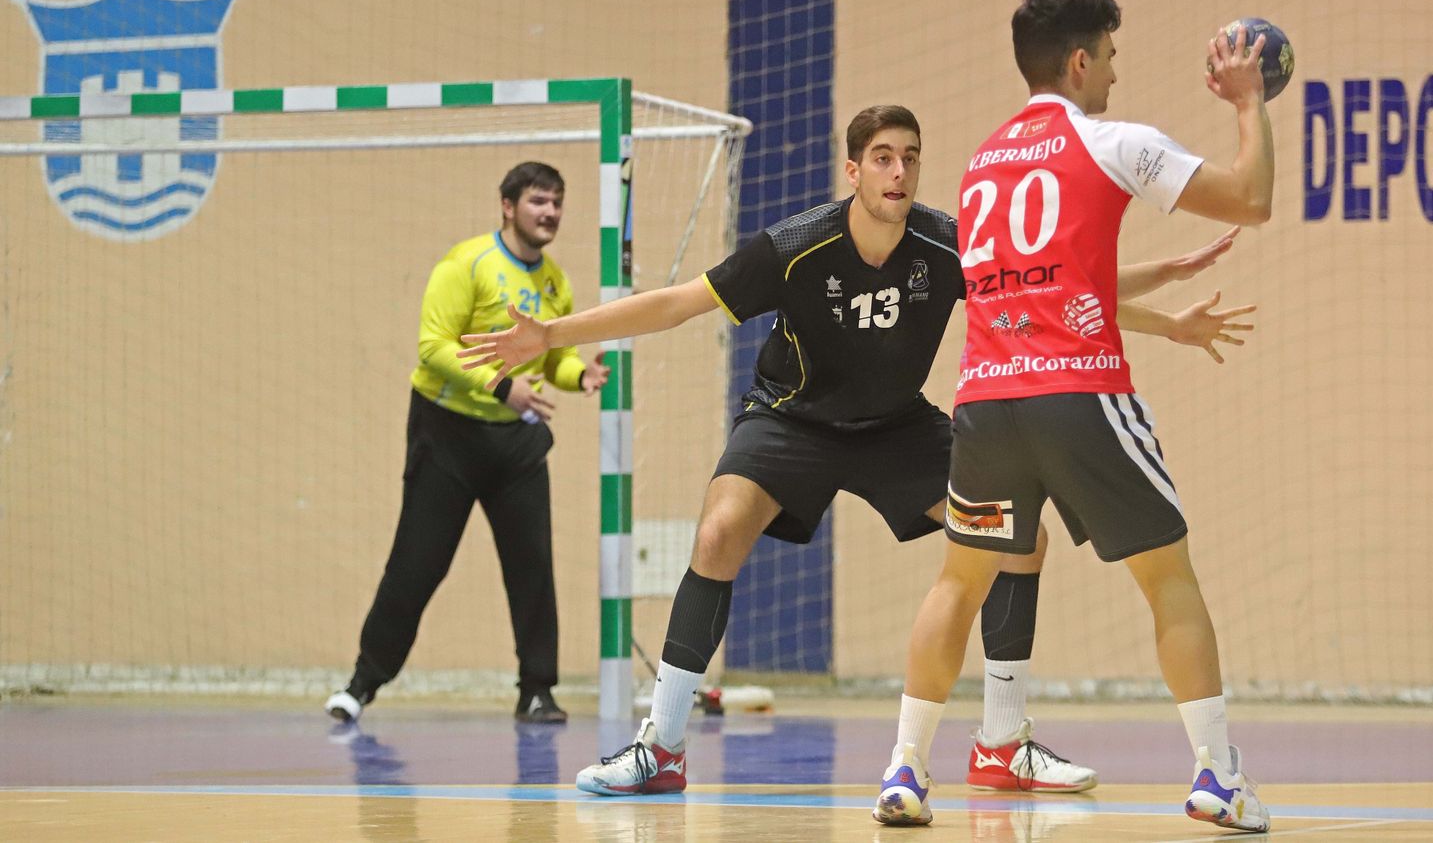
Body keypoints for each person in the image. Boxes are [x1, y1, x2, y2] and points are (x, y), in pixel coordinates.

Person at [458, 106, 1253, 796]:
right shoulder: (796, 246)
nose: (899, 170)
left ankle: (1002, 743)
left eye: (910, 156)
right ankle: (660, 745)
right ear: (854, 169)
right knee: (717, 532)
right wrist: (550, 334)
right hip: (790, 419)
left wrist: (1167, 314)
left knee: (1021, 539)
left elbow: (1057, 289)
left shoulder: (949, 243)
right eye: (883, 157)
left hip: (897, 427)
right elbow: (676, 303)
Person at [871, 0, 1276, 832]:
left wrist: (1164, 295)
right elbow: (1250, 197)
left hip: (985, 402)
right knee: (1170, 580)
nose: (1118, 76)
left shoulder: (982, 164)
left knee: (958, 580)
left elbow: (1043, 281)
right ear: (1081, 61)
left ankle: (905, 767)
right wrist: (1249, 102)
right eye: (1113, 58)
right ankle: (1217, 776)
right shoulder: (1113, 141)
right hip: (1080, 391)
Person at [324, 161, 610, 726]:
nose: (550, 212)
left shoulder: (554, 282)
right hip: (447, 434)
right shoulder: (466, 264)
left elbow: (553, 357)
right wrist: (504, 388)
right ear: (507, 206)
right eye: (537, 201)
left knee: (532, 566)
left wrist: (578, 376)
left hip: (515, 447)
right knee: (417, 565)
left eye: (557, 202)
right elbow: (433, 347)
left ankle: (536, 691)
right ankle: (362, 684)